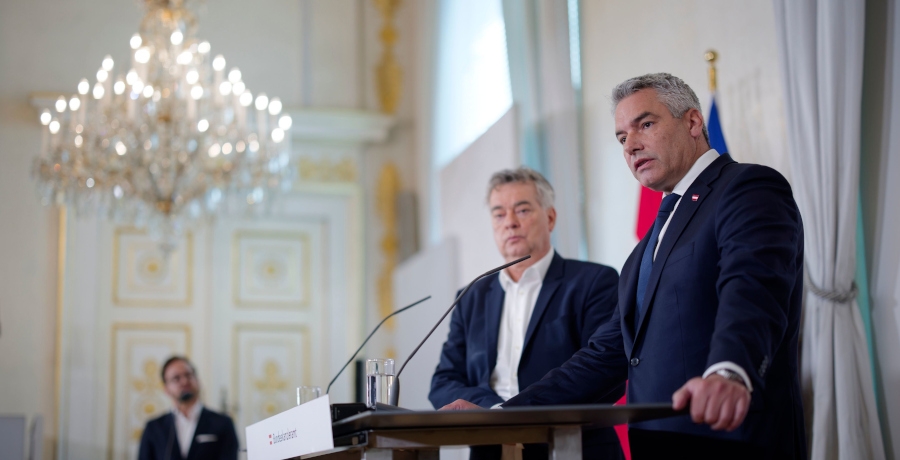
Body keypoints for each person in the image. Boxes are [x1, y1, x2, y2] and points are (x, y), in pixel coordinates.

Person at [442, 73, 806, 459]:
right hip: (658, 446)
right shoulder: (643, 252)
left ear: (693, 122)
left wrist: (729, 370)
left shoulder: (747, 187)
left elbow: (753, 289)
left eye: (645, 124)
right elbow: (606, 356)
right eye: (621, 137)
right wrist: (502, 414)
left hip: (733, 439)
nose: (631, 145)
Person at [430, 168, 625, 459]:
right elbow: (444, 382)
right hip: (491, 449)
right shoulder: (471, 296)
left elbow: (603, 373)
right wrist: (492, 410)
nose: (510, 222)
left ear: (550, 218)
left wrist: (512, 412)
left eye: (522, 210)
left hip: (573, 447)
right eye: (499, 214)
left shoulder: (594, 282)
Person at [138, 356, 239, 460]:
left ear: (197, 380)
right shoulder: (154, 427)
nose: (184, 381)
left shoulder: (223, 423)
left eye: (188, 375)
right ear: (166, 389)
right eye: (176, 378)